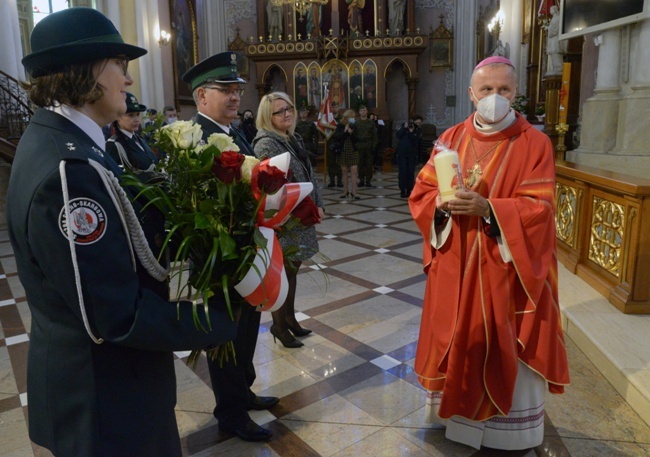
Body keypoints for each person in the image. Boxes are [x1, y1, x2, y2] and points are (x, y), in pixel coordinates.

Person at [9, 8, 237, 456]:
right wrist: (214, 320)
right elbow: (113, 314)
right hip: (104, 401)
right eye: (120, 65)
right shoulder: (66, 170)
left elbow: (123, 243)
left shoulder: (72, 145)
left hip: (112, 390)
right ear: (87, 71)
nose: (128, 81)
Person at [408, 56, 570, 451]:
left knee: (503, 340)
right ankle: (455, 420)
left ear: (516, 93)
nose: (494, 98)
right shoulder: (450, 140)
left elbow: (540, 209)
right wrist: (443, 206)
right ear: (471, 94)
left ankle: (508, 431)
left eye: (503, 90)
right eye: (486, 90)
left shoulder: (535, 143)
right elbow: (422, 193)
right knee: (456, 334)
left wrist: (488, 209)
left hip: (504, 268)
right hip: (457, 264)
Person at [182, 51, 278, 442]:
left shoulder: (233, 131)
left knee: (247, 329)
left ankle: (244, 391)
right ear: (202, 95)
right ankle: (231, 412)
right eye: (226, 89)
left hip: (242, 250)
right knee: (224, 334)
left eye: (238, 89)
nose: (236, 96)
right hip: (216, 257)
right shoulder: (195, 138)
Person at [252, 92, 324, 348]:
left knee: (292, 271)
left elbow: (309, 173)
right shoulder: (266, 144)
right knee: (281, 274)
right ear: (267, 117)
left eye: (289, 108)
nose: (287, 114)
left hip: (301, 215)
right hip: (286, 219)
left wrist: (318, 203)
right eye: (280, 111)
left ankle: (291, 319)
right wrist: (301, 206)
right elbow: (273, 189)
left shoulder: (292, 138)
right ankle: (279, 326)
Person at [106, 92, 160, 183]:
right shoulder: (114, 145)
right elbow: (119, 179)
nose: (136, 119)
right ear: (117, 117)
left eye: (137, 115)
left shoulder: (140, 139)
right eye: (130, 115)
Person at [331, 109, 361, 200]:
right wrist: (344, 131)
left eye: (353, 117)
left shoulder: (355, 126)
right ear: (346, 118)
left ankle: (354, 191)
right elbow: (337, 137)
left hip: (352, 150)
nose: (353, 119)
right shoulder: (340, 126)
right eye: (351, 117)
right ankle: (345, 191)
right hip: (343, 150)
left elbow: (357, 139)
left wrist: (351, 134)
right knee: (344, 171)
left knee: (354, 171)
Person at [396, 116, 422, 197]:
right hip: (402, 154)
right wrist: (404, 128)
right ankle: (403, 190)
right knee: (402, 172)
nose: (417, 124)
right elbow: (398, 136)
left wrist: (411, 132)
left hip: (412, 155)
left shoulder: (418, 130)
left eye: (419, 123)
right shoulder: (404, 126)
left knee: (410, 172)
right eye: (416, 122)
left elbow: (415, 141)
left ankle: (409, 190)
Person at [355, 105, 378, 187]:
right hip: (360, 145)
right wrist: (356, 146)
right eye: (361, 111)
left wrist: (374, 146)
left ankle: (368, 180)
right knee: (360, 163)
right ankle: (361, 179)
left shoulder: (371, 123)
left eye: (364, 110)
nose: (363, 112)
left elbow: (374, 135)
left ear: (367, 111)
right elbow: (354, 135)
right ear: (359, 112)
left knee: (369, 164)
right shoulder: (356, 123)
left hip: (369, 145)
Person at [326, 101, 343, 188]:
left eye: (336, 107)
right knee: (331, 163)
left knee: (340, 163)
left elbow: (343, 131)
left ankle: (339, 181)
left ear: (339, 108)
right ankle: (332, 180)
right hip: (330, 143)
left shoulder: (342, 119)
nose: (334, 109)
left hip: (340, 143)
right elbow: (324, 131)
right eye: (333, 107)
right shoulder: (328, 119)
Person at [545, 5, 565, 75]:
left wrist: (548, 28)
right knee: (553, 53)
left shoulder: (557, 18)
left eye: (551, 10)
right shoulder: (554, 18)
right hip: (552, 39)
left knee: (555, 52)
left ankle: (559, 68)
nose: (550, 11)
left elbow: (555, 29)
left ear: (554, 10)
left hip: (555, 38)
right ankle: (555, 68)